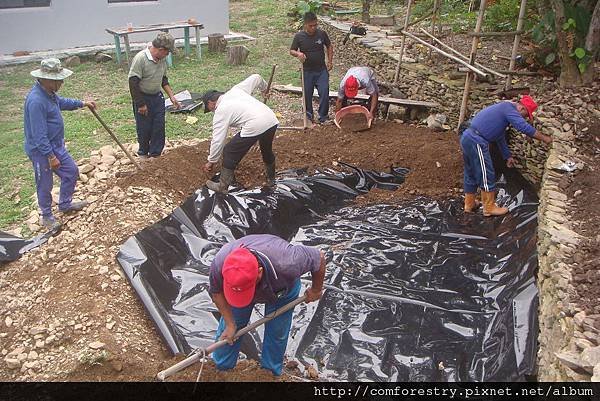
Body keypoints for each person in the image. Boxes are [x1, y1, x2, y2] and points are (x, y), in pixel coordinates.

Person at [208, 234, 326, 376]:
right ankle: (221, 369)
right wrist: (230, 323)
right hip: (240, 285)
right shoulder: (220, 263)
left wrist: (316, 289)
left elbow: (318, 257)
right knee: (229, 330)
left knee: (277, 330)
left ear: (259, 273)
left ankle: (268, 374)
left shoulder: (288, 262)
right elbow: (216, 294)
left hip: (282, 288)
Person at [24, 58, 96, 229]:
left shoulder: (49, 94)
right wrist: (50, 156)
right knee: (45, 183)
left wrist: (81, 103)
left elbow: (61, 102)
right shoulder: (36, 101)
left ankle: (65, 204)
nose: (61, 82)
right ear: (46, 79)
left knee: (71, 171)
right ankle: (47, 216)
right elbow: (38, 134)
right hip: (41, 150)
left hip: (55, 145)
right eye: (58, 80)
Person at [460, 95, 552, 216]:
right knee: (486, 172)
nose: (522, 118)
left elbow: (499, 137)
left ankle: (469, 203)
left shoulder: (502, 111)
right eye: (524, 116)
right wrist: (546, 139)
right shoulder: (508, 108)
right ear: (522, 108)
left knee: (470, 172)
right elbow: (522, 127)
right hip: (476, 140)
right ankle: (489, 208)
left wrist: (507, 156)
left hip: (468, 137)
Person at [201, 74, 279, 193]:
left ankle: (222, 186)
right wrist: (264, 89)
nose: (212, 111)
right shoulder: (236, 90)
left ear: (211, 102)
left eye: (210, 108)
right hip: (271, 119)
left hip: (255, 124)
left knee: (229, 150)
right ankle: (271, 179)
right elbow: (256, 77)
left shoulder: (220, 110)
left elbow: (218, 140)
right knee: (266, 150)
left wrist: (211, 161)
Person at [128, 32, 180, 159]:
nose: (167, 55)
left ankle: (156, 155)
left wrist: (172, 96)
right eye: (167, 53)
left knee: (159, 126)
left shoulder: (162, 60)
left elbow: (163, 79)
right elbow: (133, 82)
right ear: (161, 50)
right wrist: (141, 104)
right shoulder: (141, 59)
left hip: (157, 98)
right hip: (142, 97)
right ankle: (143, 154)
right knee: (144, 127)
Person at [290, 11, 334, 124]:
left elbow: (329, 46)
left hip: (321, 70)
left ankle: (323, 117)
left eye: (315, 25)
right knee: (307, 94)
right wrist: (298, 54)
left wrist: (330, 61)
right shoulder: (299, 36)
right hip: (307, 71)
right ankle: (308, 117)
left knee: (324, 92)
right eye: (311, 26)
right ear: (305, 24)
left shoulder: (322, 34)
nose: (313, 28)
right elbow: (292, 50)